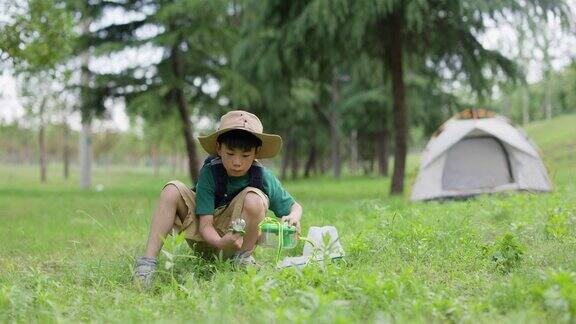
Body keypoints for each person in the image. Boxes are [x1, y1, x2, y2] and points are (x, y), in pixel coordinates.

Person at [134, 110, 303, 287]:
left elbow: (295, 207)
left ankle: (243, 261)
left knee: (255, 198)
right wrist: (221, 243)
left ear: (256, 152)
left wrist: (293, 218)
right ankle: (147, 265)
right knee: (171, 189)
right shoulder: (210, 172)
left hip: (238, 244)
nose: (237, 162)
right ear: (219, 148)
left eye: (245, 156)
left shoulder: (262, 176)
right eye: (230, 154)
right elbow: (205, 224)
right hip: (205, 238)